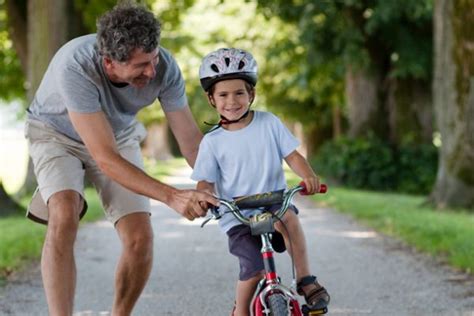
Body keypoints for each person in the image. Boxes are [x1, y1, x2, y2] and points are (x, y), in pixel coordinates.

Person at [24, 2, 217, 316]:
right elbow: (106, 160)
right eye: (141, 65)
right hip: (55, 134)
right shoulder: (76, 64)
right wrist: (173, 196)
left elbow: (192, 143)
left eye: (153, 59)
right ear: (109, 62)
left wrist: (209, 186)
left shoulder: (165, 67)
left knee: (140, 236)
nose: (152, 71)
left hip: (117, 133)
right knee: (64, 211)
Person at [191, 48, 330, 316]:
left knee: (289, 220)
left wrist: (308, 176)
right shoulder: (212, 141)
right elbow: (205, 182)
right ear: (211, 99)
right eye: (223, 95)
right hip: (237, 213)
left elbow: (293, 155)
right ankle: (240, 311)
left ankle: (305, 280)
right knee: (253, 269)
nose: (232, 101)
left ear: (251, 94)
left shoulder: (269, 123)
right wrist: (204, 198)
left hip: (273, 204)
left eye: (239, 93)